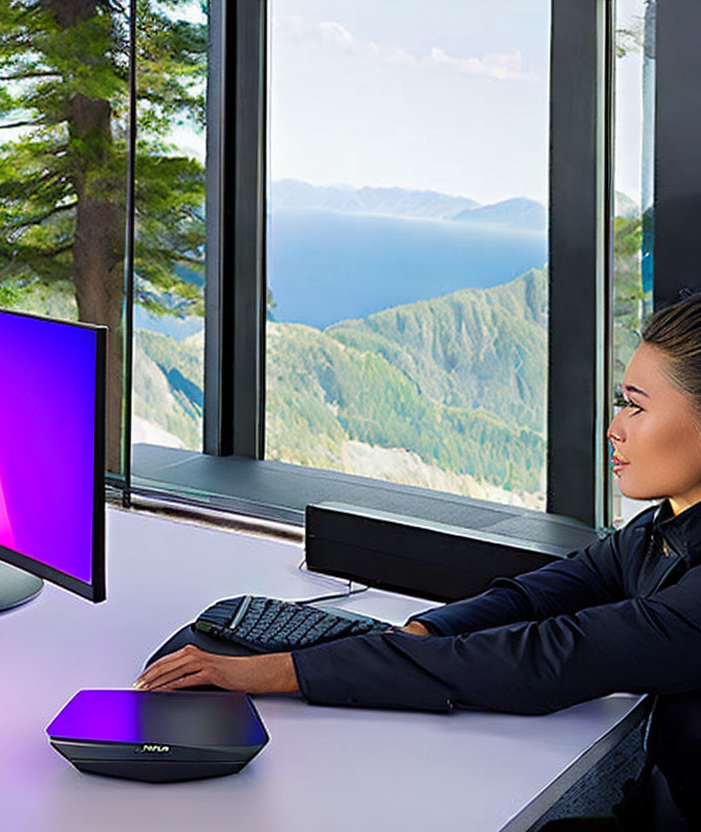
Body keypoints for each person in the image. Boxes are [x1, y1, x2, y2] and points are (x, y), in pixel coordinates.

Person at [135, 295, 701, 831]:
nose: (615, 427)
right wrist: (426, 630)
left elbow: (542, 662)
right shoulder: (664, 527)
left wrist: (277, 672)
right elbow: (544, 594)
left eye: (636, 405)